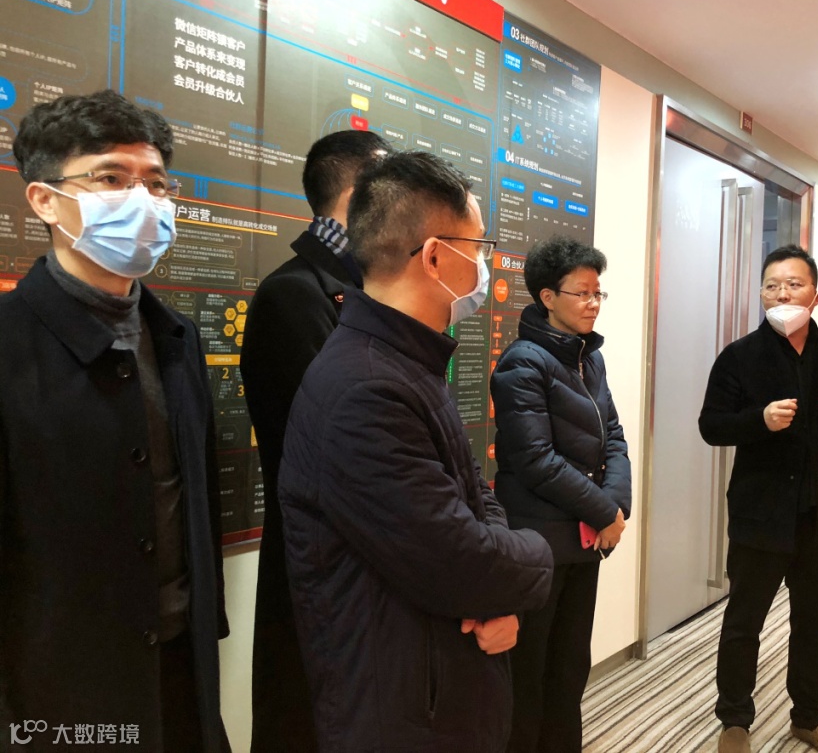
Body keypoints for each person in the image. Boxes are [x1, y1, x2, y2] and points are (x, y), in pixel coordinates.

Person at [278, 150, 554, 752]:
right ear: (434, 257)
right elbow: (457, 556)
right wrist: (536, 556)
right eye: (478, 248)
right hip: (401, 712)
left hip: (436, 687)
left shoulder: (403, 359)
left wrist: (496, 590)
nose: (483, 266)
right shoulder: (365, 388)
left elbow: (472, 492)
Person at [0, 89, 230, 751]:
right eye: (111, 178)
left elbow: (195, 499)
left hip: (181, 664)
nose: (143, 200)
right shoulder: (9, 343)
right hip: (58, 688)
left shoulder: (177, 338)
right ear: (45, 200)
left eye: (156, 183)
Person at [239, 129, 388, 752]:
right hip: (322, 565)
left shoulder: (368, 293)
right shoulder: (294, 295)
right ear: (357, 197)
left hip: (365, 569)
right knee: (308, 722)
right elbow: (343, 452)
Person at [699, 244, 818, 753]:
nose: (782, 294)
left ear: (814, 296)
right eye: (772, 285)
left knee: (814, 625)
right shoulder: (738, 357)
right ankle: (734, 720)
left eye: (794, 285)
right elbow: (711, 426)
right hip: (760, 515)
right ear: (761, 294)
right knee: (743, 623)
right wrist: (759, 420)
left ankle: (809, 718)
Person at [490, 234, 632, 752]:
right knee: (531, 672)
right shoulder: (522, 363)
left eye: (598, 293)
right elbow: (535, 461)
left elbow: (613, 435)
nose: (593, 303)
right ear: (548, 297)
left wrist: (616, 506)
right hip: (539, 543)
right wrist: (604, 510)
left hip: (584, 539)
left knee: (570, 669)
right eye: (582, 293)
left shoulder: (588, 359)